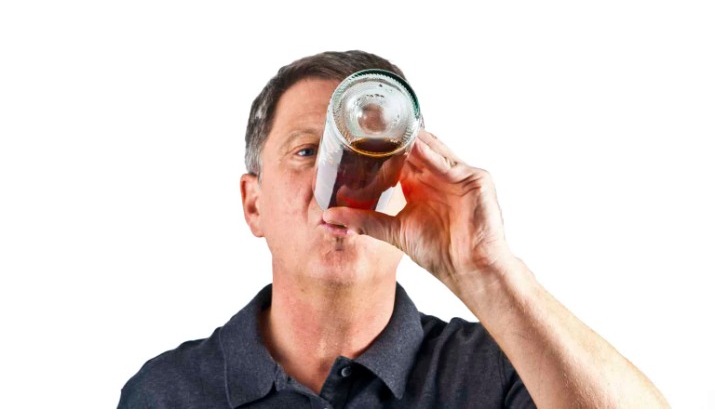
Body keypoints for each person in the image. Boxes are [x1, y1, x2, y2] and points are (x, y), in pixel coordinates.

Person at [118, 51, 668, 408]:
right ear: (253, 204)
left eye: (372, 154)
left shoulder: (500, 370)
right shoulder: (169, 394)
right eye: (307, 152)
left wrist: (487, 270)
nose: (339, 182)